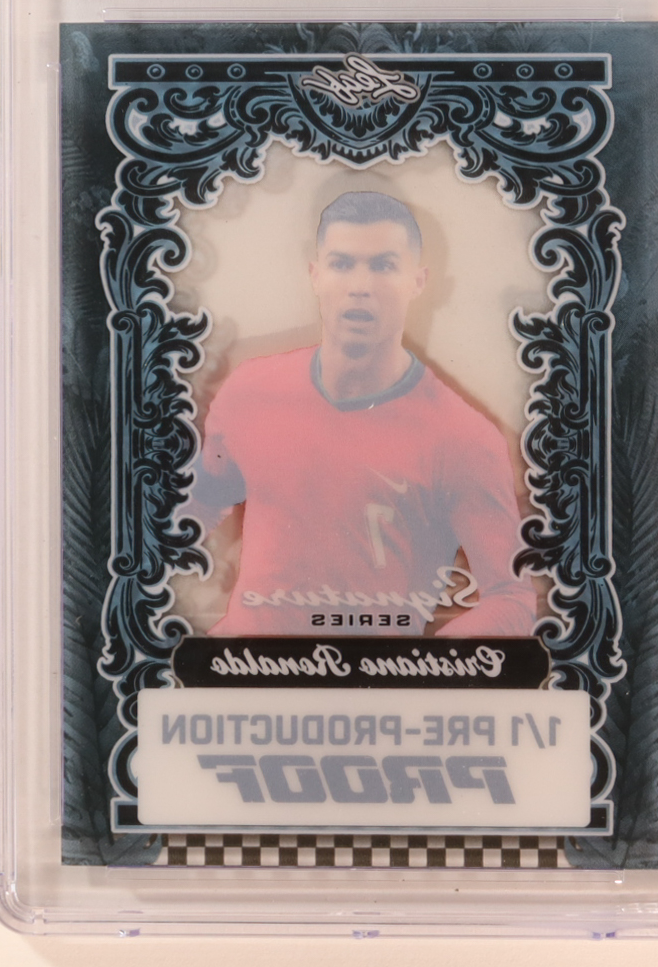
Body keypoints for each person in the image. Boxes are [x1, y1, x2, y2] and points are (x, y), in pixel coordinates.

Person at [188, 191, 537, 638]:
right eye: (341, 263)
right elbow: (203, 502)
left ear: (418, 281)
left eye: (384, 266)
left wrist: (427, 665)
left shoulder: (464, 437)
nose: (360, 285)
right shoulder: (249, 390)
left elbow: (511, 598)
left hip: (369, 675)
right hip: (244, 667)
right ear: (315, 275)